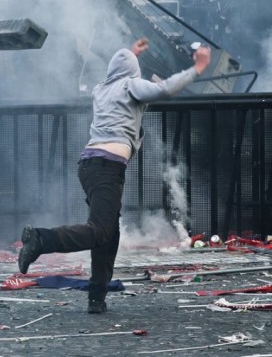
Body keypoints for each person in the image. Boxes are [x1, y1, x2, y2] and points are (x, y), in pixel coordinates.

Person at [17, 38, 211, 314]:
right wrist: (198, 69)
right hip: (106, 166)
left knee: (109, 234)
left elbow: (118, 70)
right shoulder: (130, 85)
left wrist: (128, 55)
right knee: (100, 231)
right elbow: (164, 89)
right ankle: (40, 239)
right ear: (132, 72)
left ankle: (97, 296)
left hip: (92, 165)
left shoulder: (101, 88)